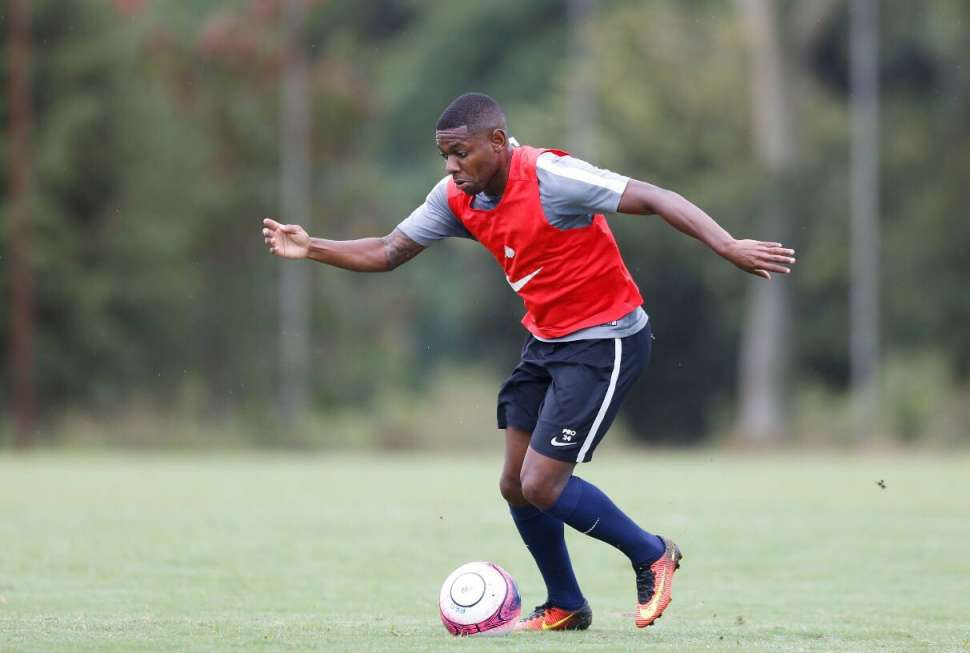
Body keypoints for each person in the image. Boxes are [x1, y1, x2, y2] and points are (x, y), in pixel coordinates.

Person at [262, 92, 796, 631]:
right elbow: (387, 250)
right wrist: (313, 249)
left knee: (542, 483)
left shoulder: (552, 178)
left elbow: (655, 197)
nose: (451, 166)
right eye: (444, 155)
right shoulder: (454, 198)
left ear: (497, 142)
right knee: (515, 484)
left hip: (605, 338)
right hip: (547, 341)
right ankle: (566, 603)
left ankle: (652, 553)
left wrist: (727, 245)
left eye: (461, 153)